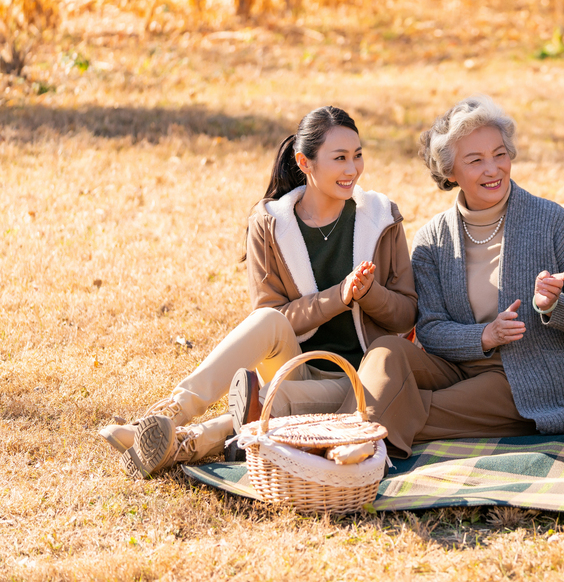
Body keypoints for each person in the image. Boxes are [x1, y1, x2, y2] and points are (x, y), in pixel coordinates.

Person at [98, 106, 417, 477]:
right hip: (289, 364)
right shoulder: (270, 223)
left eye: (358, 155)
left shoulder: (380, 218)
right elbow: (275, 318)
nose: (353, 169)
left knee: (269, 402)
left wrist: (368, 294)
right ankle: (168, 412)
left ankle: (182, 443)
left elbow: (407, 313)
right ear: (305, 162)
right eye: (340, 158)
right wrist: (338, 296)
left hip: (353, 380)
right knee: (266, 322)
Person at [352, 95, 564, 459]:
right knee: (386, 352)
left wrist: (552, 305)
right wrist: (484, 335)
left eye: (500, 154)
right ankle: (367, 434)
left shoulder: (552, 222)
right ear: (451, 172)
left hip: (527, 379)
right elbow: (431, 328)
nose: (493, 169)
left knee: (402, 403)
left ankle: (352, 443)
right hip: (454, 369)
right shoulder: (432, 239)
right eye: (476, 160)